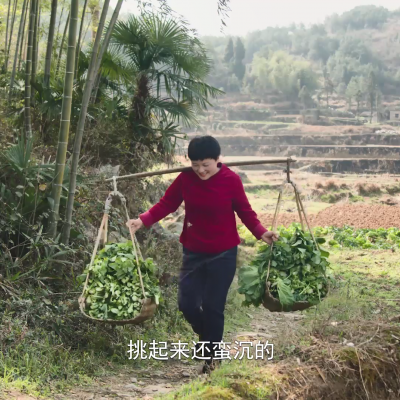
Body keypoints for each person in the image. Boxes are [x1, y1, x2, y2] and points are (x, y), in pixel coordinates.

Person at [126, 135, 279, 374]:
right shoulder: (186, 178)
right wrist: (142, 220)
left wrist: (262, 233)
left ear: (217, 160)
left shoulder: (231, 180)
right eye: (195, 164)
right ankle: (207, 338)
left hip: (224, 252)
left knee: (213, 306)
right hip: (193, 251)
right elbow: (167, 204)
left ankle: (212, 361)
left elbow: (246, 212)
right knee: (186, 304)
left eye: (205, 165)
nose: (200, 170)